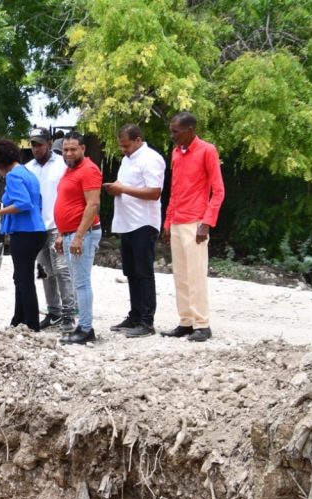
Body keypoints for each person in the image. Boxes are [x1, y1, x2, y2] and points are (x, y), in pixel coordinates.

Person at [161, 111, 225, 343]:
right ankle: (185, 321)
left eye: (176, 131)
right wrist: (168, 221)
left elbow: (218, 190)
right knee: (180, 275)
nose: (173, 135)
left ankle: (202, 324)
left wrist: (207, 223)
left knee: (196, 274)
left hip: (196, 221)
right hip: (177, 219)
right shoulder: (176, 153)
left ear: (190, 130)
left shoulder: (207, 150)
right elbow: (175, 189)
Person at [103, 124, 166, 338]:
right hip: (126, 222)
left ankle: (147, 322)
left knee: (144, 271)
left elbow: (154, 192)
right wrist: (115, 188)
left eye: (127, 145)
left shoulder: (151, 158)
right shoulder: (126, 160)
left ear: (138, 140)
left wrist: (123, 189)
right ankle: (135, 315)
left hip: (144, 222)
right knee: (130, 271)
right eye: (121, 146)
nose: (124, 150)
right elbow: (126, 184)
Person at [0, 138, 47, 330]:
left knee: (24, 279)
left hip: (25, 232)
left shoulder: (13, 176)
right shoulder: (27, 172)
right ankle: (19, 319)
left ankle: (30, 323)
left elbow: (23, 203)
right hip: (36, 230)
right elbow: (36, 201)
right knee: (20, 277)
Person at [54, 132, 103, 345]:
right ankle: (82, 325)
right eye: (65, 149)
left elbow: (93, 205)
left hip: (82, 234)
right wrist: (60, 234)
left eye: (73, 149)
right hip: (69, 233)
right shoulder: (70, 169)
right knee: (76, 283)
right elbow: (67, 201)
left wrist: (79, 237)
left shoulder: (89, 170)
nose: (69, 153)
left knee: (81, 283)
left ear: (83, 148)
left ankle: (85, 328)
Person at [25, 127, 75, 332]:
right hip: (37, 227)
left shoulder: (63, 164)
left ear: (49, 142)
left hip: (58, 225)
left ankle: (69, 314)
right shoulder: (28, 168)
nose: (36, 148)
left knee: (63, 270)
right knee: (45, 271)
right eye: (33, 144)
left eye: (40, 144)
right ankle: (53, 312)